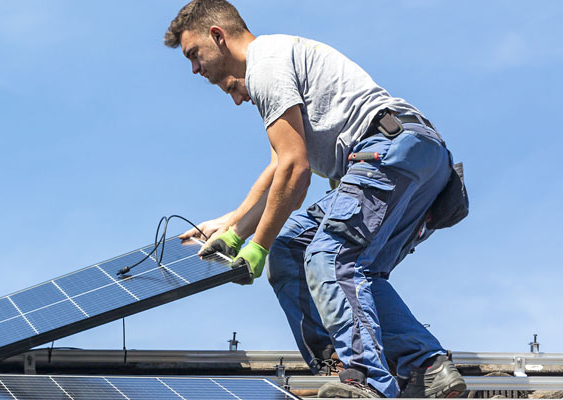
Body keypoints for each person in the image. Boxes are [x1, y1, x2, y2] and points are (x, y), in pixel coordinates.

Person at [164, 0, 467, 398]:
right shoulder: (277, 62)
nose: (195, 69)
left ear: (217, 36)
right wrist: (232, 224)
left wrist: (256, 246)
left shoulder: (264, 63)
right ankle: (426, 367)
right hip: (414, 158)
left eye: (193, 54)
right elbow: (278, 169)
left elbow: (296, 171)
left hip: (386, 151)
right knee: (293, 250)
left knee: (330, 256)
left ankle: (363, 382)